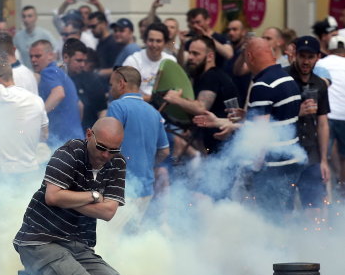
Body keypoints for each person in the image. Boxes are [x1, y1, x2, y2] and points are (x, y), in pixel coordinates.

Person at [13, 116, 132, 275]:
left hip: (78, 244)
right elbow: (53, 196)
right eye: (102, 148)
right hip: (38, 240)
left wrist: (67, 199)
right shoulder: (69, 152)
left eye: (113, 150)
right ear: (89, 135)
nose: (106, 155)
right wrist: (94, 195)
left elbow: (108, 212)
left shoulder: (117, 163)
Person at [195, 38, 303, 214]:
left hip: (271, 168)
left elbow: (258, 136)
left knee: (268, 220)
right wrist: (236, 120)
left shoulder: (262, 85)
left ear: (250, 57)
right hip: (291, 163)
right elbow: (276, 122)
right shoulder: (286, 78)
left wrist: (253, 170)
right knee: (284, 217)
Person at [107, 66, 169, 230]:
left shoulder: (117, 106)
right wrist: (147, 164)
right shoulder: (154, 113)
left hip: (121, 188)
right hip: (146, 189)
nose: (110, 88)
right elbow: (164, 151)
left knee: (110, 240)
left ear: (121, 83)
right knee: (131, 240)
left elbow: (108, 143)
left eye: (112, 84)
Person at [163, 36, 238, 156]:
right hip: (216, 145)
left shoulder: (211, 76)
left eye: (196, 54)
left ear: (210, 56)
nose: (191, 57)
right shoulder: (202, 76)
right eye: (190, 53)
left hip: (222, 148)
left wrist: (175, 99)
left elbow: (201, 108)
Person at [284, 36, 331, 213]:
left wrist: (324, 160)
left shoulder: (319, 84)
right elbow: (271, 117)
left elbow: (323, 123)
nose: (305, 61)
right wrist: (297, 112)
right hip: (286, 154)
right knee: (284, 210)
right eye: (302, 56)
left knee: (315, 208)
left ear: (318, 57)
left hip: (311, 153)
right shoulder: (283, 79)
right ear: (295, 55)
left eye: (310, 57)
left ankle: (313, 240)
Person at [0, 58, 48, 175]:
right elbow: (44, 135)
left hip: (5, 173)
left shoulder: (1, 94)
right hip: (31, 170)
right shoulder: (37, 100)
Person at [29, 39, 82, 147]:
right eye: (31, 56)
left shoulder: (49, 71)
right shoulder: (60, 73)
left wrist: (38, 115)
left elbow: (58, 94)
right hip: (77, 138)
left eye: (38, 56)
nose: (33, 60)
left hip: (63, 143)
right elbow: (81, 106)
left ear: (50, 56)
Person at [316, 35, 345, 194]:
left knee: (324, 158)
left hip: (326, 117)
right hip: (344, 115)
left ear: (330, 50)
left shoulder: (321, 62)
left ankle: (326, 195)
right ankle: (342, 190)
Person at [122, 22, 177, 101]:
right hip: (138, 104)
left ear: (165, 43)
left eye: (158, 41)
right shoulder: (133, 60)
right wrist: (152, 98)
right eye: (151, 40)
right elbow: (125, 92)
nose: (154, 45)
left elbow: (174, 90)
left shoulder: (171, 61)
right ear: (145, 41)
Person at [62, 38, 108, 133]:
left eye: (84, 61)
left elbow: (102, 111)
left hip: (86, 135)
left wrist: (97, 134)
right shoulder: (57, 79)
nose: (83, 65)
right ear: (66, 57)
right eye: (78, 61)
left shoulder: (92, 80)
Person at [88, 11, 123, 77]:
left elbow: (119, 68)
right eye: (90, 27)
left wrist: (98, 73)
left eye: (93, 26)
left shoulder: (113, 43)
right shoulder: (100, 44)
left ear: (104, 24)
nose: (91, 30)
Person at [223, 19, 251, 103]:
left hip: (243, 98)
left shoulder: (248, 50)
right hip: (229, 99)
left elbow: (239, 71)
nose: (231, 33)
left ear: (243, 32)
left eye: (235, 29)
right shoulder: (228, 50)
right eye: (229, 30)